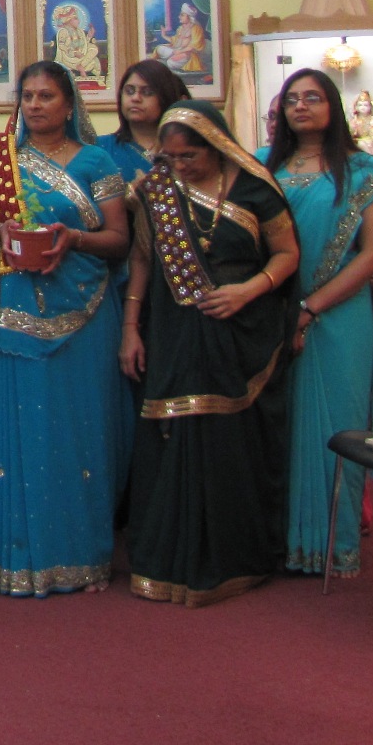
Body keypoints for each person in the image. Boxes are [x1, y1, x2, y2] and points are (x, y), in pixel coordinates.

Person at [0, 61, 129, 595]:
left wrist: (72, 240)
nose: (34, 105)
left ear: (69, 104)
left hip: (83, 312)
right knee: (10, 425)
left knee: (75, 429)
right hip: (7, 311)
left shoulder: (97, 161)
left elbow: (121, 238)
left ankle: (76, 555)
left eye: (47, 96)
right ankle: (5, 554)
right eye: (27, 95)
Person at [120, 101, 299, 607]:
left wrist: (249, 289)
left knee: (228, 441)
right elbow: (141, 262)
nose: (180, 166)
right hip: (174, 331)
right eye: (171, 156)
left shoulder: (254, 188)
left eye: (190, 156)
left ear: (216, 146)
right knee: (170, 430)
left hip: (241, 330)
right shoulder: (156, 192)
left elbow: (288, 254)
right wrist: (130, 329)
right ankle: (165, 562)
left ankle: (233, 560)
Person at [266, 69, 373, 578]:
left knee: (334, 429)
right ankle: (283, 542)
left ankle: (333, 545)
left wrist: (311, 307)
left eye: (313, 98)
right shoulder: (265, 167)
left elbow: (372, 256)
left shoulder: (365, 172)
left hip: (340, 318)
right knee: (279, 429)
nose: (301, 107)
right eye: (292, 99)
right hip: (275, 314)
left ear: (332, 107)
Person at [101, 60, 189, 184]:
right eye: (129, 91)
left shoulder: (184, 151)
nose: (135, 98)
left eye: (147, 92)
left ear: (165, 97)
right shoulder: (101, 148)